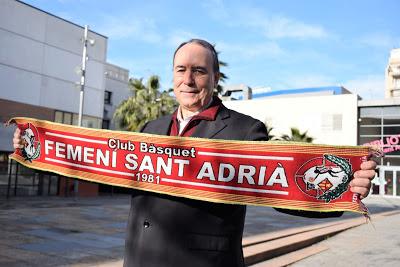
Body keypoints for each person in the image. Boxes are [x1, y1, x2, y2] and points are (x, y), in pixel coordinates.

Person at [13, 39, 377, 267]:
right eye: (181, 70)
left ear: (215, 78)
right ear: (172, 76)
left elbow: (281, 189)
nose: (188, 80)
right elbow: (99, 166)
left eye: (199, 71)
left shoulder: (244, 130)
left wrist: (347, 188)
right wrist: (35, 150)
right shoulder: (150, 130)